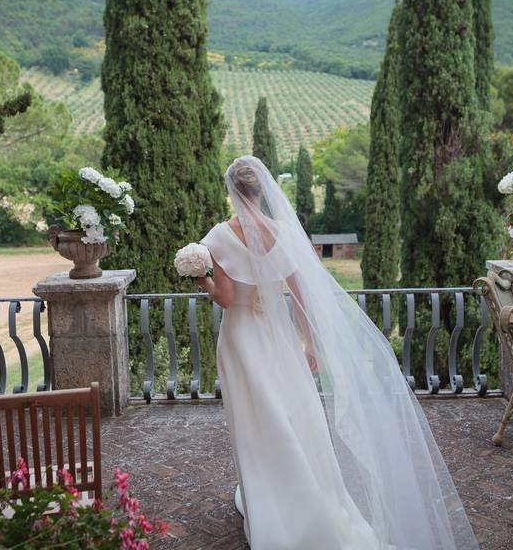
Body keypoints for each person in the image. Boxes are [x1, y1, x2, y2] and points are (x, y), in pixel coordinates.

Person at [190, 156, 478, 549]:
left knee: (253, 420)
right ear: (262, 191)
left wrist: (200, 278)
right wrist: (309, 343)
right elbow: (301, 295)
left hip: (241, 338)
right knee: (291, 415)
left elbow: (224, 298)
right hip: (280, 338)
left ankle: (269, 503)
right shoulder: (284, 233)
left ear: (231, 192)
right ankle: (308, 498)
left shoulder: (219, 237)